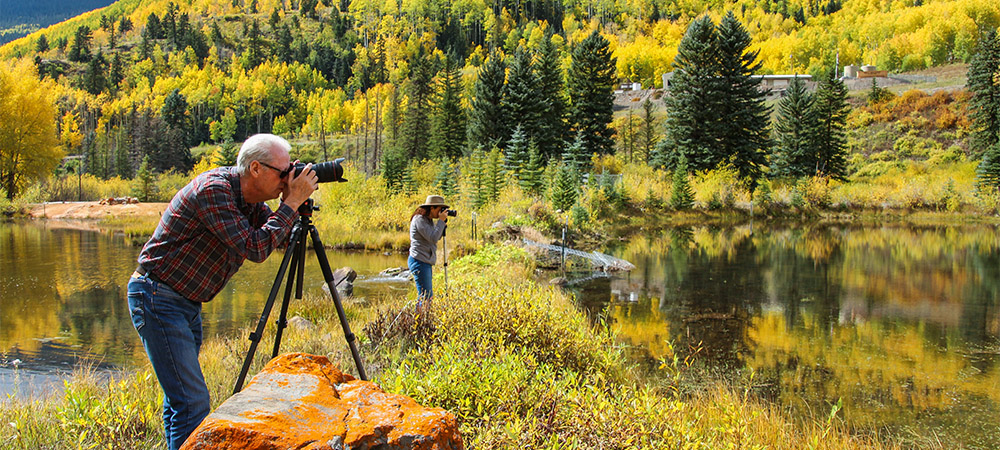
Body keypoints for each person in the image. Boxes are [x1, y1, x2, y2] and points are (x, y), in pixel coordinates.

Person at [126, 134, 318, 450]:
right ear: (256, 168)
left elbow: (278, 239)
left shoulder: (250, 202)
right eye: (283, 172)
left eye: (290, 172)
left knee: (181, 400)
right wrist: (291, 202)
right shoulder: (215, 191)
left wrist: (296, 207)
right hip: (157, 297)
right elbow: (255, 248)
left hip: (183, 302)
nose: (287, 178)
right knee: (192, 401)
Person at [408, 194, 450, 306]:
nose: (441, 212)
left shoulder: (429, 220)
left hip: (425, 260)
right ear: (431, 208)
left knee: (426, 296)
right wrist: (440, 222)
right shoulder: (419, 220)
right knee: (426, 297)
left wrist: (442, 225)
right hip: (419, 261)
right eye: (439, 209)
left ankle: (420, 320)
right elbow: (433, 237)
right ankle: (420, 321)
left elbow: (436, 237)